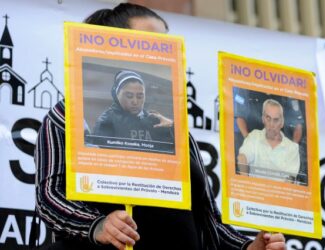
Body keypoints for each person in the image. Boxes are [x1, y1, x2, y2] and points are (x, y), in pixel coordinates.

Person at [35, 3, 286, 250]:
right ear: (109, 47)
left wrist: (248, 247)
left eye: (166, 45)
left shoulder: (174, 129)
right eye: (149, 43)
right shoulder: (70, 117)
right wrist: (97, 226)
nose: (162, 53)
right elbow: (50, 197)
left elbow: (208, 220)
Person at [89, 70, 174, 154]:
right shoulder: (107, 121)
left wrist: (172, 126)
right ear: (116, 95)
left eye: (140, 96)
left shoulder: (155, 120)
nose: (135, 101)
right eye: (129, 96)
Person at [237, 99, 300, 182]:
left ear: (282, 122)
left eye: (276, 120)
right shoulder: (254, 136)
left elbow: (290, 179)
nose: (271, 124)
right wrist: (245, 182)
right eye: (268, 118)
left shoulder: (292, 148)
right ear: (263, 119)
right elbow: (242, 157)